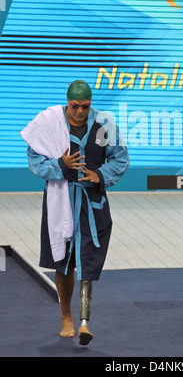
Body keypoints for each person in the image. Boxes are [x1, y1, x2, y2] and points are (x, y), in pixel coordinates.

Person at [20, 80, 130, 345]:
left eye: (85, 106)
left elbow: (120, 158)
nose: (80, 111)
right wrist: (61, 165)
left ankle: (84, 322)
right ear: (67, 102)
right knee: (64, 260)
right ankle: (66, 315)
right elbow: (35, 162)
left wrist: (100, 174)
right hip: (61, 202)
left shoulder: (103, 124)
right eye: (75, 105)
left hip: (92, 202)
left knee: (88, 260)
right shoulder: (49, 123)